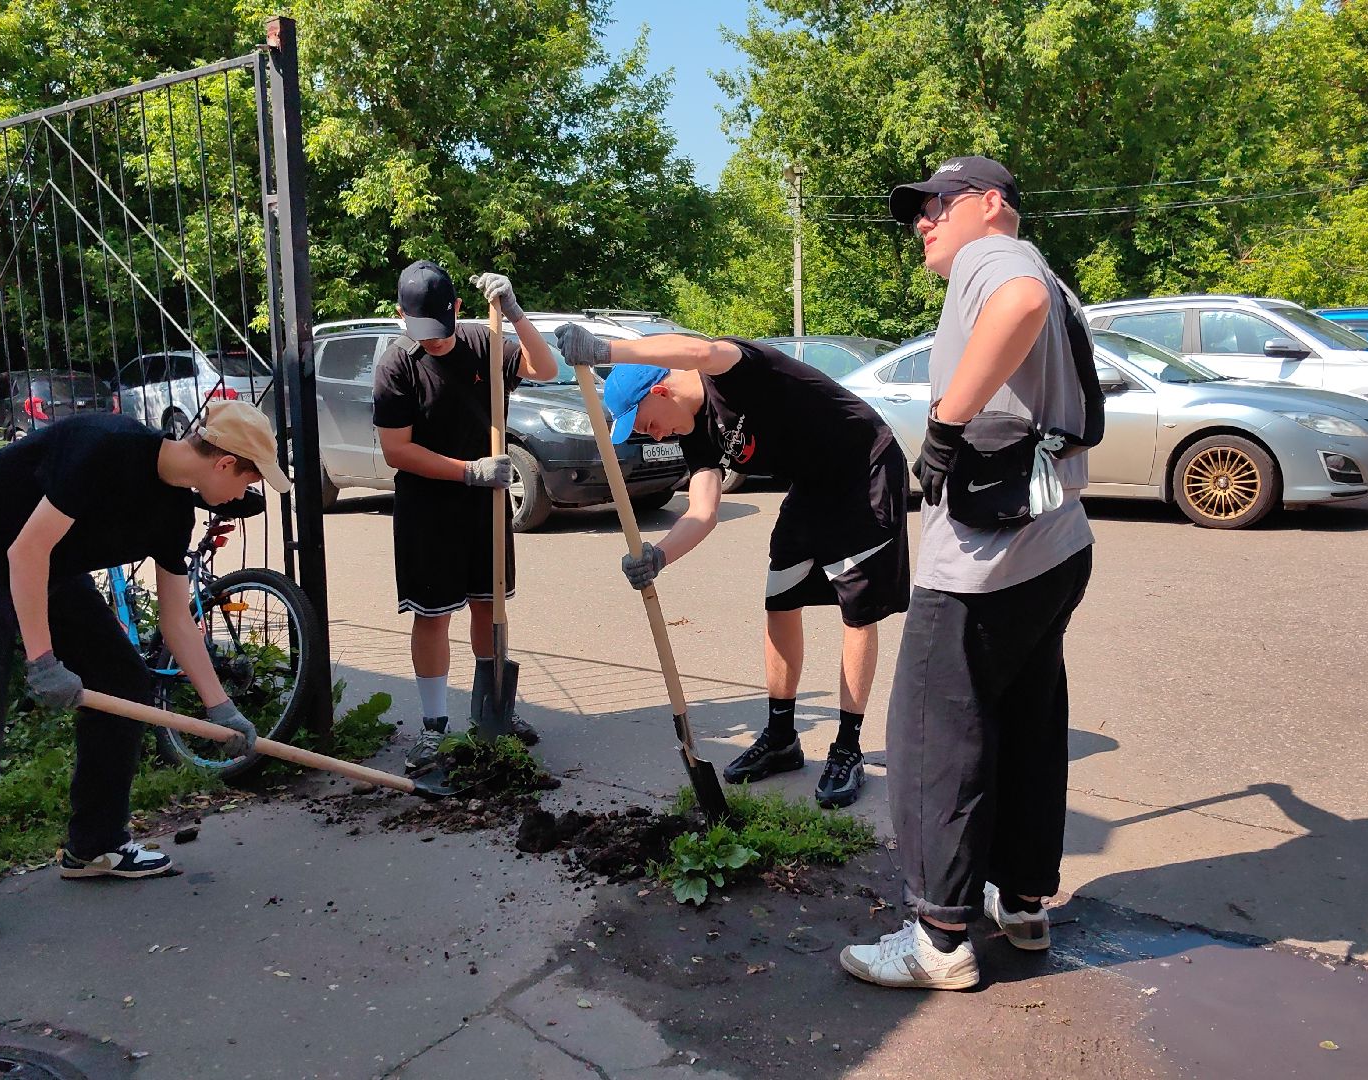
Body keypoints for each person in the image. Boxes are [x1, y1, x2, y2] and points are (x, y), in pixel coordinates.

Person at [838, 156, 1098, 990]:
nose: (924, 221)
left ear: (991, 205)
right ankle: (1020, 905)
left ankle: (938, 938)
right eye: (918, 211)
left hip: (984, 563)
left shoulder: (998, 259)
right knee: (1026, 726)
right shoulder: (1052, 276)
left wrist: (945, 427)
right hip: (1055, 543)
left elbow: (1013, 305)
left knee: (933, 737)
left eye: (937, 206)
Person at [0, 399, 287, 940]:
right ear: (225, 463)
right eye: (250, 482)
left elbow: (176, 618)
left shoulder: (174, 509)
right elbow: (25, 552)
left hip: (47, 567)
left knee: (124, 679)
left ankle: (94, 844)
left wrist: (220, 705)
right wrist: (42, 661)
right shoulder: (104, 448)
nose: (245, 498)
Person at [554, 323, 908, 809]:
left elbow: (697, 347)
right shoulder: (694, 429)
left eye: (646, 422)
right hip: (810, 484)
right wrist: (659, 556)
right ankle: (782, 737)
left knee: (856, 609)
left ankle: (847, 748)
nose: (651, 434)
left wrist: (605, 350)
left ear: (660, 388)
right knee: (780, 598)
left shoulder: (730, 371)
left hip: (862, 468)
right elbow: (703, 512)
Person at [373, 261, 559, 773]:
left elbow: (546, 369)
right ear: (401, 316)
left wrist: (517, 314)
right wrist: (468, 472)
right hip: (428, 507)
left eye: (441, 326)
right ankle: (433, 729)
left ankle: (493, 709)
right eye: (421, 330)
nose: (433, 340)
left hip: (485, 506)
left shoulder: (485, 342)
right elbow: (396, 450)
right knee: (432, 615)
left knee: (489, 605)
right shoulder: (397, 365)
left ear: (456, 309)